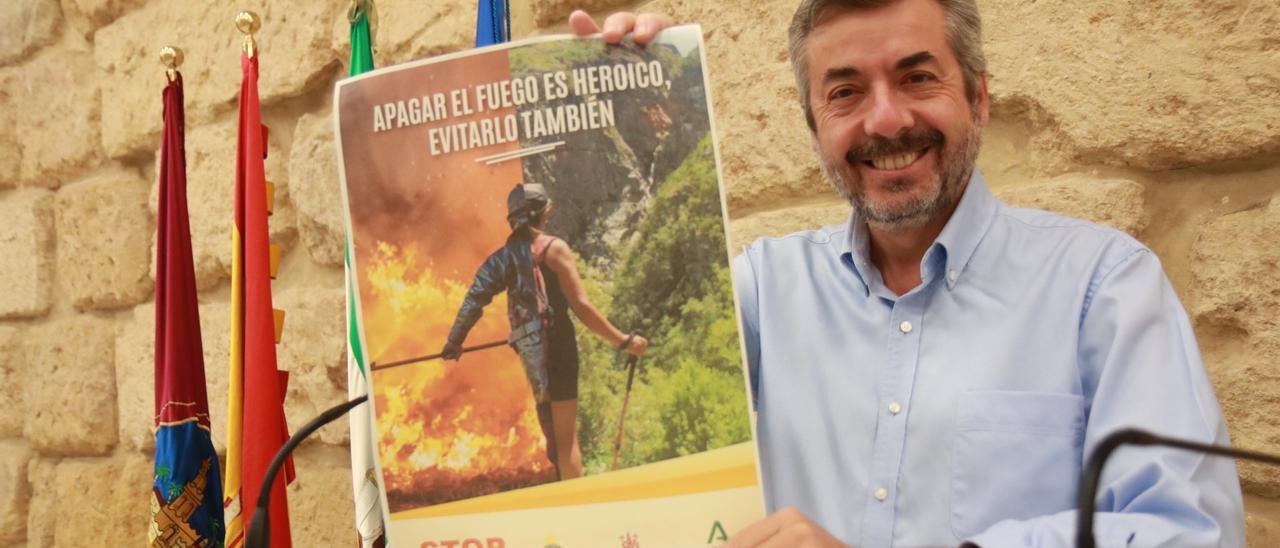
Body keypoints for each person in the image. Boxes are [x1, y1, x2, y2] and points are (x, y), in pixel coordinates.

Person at [571, 2, 1245, 547]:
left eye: (918, 78)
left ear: (979, 98)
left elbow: (1187, 534)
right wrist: (633, 88)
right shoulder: (760, 294)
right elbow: (626, 422)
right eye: (845, 92)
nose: (886, 119)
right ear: (814, 127)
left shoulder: (1103, 288)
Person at [443, 183, 648, 481]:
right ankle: (579, 508)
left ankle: (564, 504)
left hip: (530, 351)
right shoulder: (554, 249)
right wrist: (624, 341)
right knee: (566, 443)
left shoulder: (502, 259)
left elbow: (475, 297)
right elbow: (582, 306)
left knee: (553, 435)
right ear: (546, 211)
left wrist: (454, 341)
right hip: (559, 347)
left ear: (512, 219)